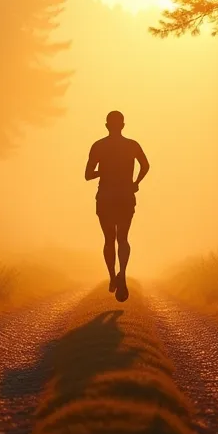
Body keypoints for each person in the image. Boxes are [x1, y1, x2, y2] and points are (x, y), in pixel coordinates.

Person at [85, 110, 149, 302]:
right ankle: (123, 272)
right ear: (122, 126)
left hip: (105, 197)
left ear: (106, 126)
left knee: (108, 239)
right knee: (123, 238)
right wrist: (136, 182)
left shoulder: (98, 146)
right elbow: (145, 166)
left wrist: (102, 171)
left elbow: (88, 174)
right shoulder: (132, 145)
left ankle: (113, 277)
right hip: (125, 197)